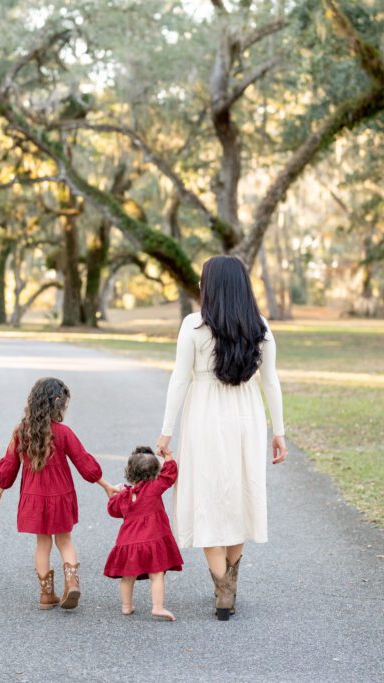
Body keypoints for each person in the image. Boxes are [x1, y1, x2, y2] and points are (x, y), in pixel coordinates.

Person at [155, 255, 286, 621]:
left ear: (209, 287)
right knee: (240, 494)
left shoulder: (193, 325)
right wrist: (279, 432)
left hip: (205, 417)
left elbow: (179, 379)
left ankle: (222, 586)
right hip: (247, 417)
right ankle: (229, 581)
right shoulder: (259, 326)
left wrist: (166, 430)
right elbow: (271, 382)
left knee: (208, 496)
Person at [0, 377, 118, 610]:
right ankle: (72, 582)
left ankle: (46, 595)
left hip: (34, 498)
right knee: (65, 540)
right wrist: (106, 485)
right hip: (61, 496)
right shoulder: (64, 432)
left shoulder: (20, 433)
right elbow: (84, 462)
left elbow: (9, 466)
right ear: (58, 406)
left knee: (42, 543)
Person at [103, 446, 183, 621]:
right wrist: (168, 456)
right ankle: (158, 607)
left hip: (128, 544)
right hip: (152, 541)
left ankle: (126, 606)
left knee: (127, 577)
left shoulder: (124, 495)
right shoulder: (154, 487)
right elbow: (170, 475)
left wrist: (113, 495)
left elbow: (113, 510)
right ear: (155, 472)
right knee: (157, 574)